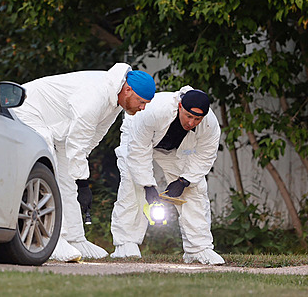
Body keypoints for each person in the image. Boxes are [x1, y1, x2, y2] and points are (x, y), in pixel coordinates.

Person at [12, 63, 156, 262]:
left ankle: (76, 238)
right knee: (49, 167)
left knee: (68, 177)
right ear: (128, 90)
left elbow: (92, 138)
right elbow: (78, 141)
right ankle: (52, 239)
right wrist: (83, 183)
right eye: (141, 102)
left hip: (59, 127)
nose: (143, 108)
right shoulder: (96, 96)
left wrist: (79, 177)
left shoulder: (115, 101)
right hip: (27, 109)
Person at [110, 86, 225, 265]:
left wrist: (184, 180)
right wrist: (148, 185)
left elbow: (205, 155)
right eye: (188, 116)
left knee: (195, 189)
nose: (192, 123)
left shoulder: (210, 124)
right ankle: (126, 244)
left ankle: (198, 249)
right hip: (137, 139)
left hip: (172, 149)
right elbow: (139, 151)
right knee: (132, 186)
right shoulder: (154, 111)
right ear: (180, 106)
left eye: (197, 119)